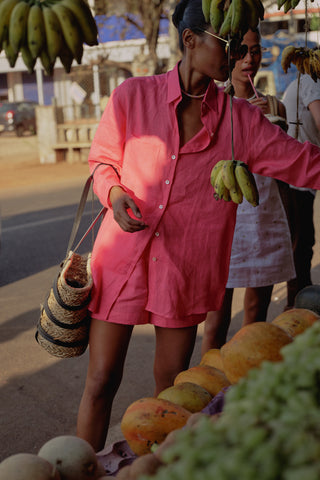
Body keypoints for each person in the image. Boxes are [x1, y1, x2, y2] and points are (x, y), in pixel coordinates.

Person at [76, 0, 320, 452]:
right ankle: (80, 464)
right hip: (124, 259)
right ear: (190, 41)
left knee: (171, 395)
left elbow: (305, 164)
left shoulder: (240, 121)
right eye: (227, 43)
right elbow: (103, 161)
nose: (236, 55)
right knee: (101, 381)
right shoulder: (133, 95)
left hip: (187, 269)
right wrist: (115, 193)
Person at [201, 28, 295, 354]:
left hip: (265, 214)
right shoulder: (212, 105)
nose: (249, 60)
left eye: (255, 51)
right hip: (225, 218)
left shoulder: (276, 107)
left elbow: (285, 169)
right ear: (228, 53)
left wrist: (272, 130)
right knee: (216, 322)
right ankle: (207, 387)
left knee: (256, 318)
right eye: (242, 51)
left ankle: (243, 389)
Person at [282, 73, 320, 309]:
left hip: (301, 175)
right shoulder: (312, 80)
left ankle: (299, 303)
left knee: (302, 241)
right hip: (297, 176)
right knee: (301, 244)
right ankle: (297, 307)